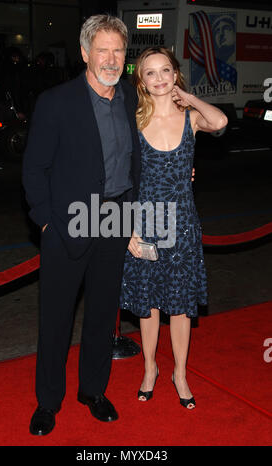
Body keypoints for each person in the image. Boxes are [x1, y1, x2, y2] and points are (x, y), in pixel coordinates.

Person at [22, 15, 142, 435]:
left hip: (115, 220)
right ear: (85, 53)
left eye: (119, 50)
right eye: (103, 49)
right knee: (55, 319)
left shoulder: (129, 97)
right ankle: (47, 403)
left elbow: (140, 157)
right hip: (66, 225)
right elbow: (34, 169)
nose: (111, 58)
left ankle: (93, 390)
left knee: (102, 315)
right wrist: (44, 223)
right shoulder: (57, 102)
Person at [120, 47, 228, 409]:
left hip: (182, 223)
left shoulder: (191, 118)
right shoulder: (133, 120)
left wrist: (192, 97)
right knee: (147, 306)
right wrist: (127, 230)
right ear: (142, 82)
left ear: (176, 75)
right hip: (146, 224)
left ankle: (179, 373)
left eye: (166, 70)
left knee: (180, 307)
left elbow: (221, 123)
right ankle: (149, 369)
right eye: (150, 73)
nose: (160, 78)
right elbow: (118, 177)